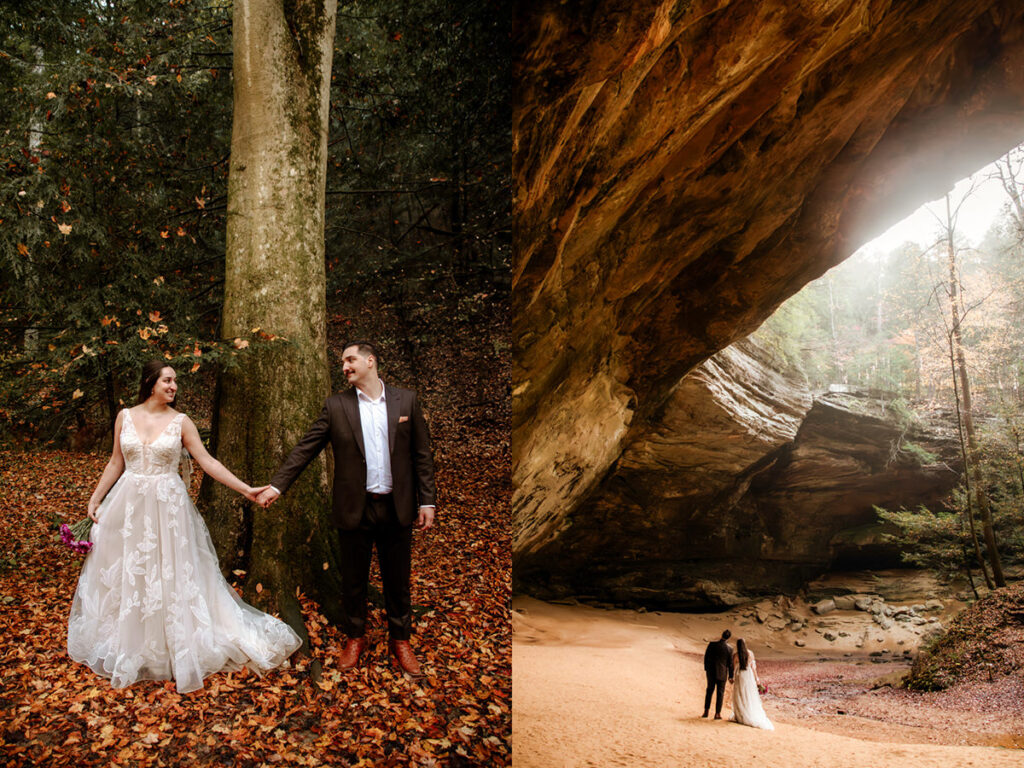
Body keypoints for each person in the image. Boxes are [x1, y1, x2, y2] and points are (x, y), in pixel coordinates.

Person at [67, 361, 302, 694]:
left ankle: (171, 644)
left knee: (170, 571)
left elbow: (207, 462)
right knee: (132, 570)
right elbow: (116, 462)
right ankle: (133, 642)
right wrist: (95, 498)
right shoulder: (124, 416)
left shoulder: (181, 422)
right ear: (151, 383)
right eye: (168, 380)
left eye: (175, 381)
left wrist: (246, 489)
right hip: (129, 504)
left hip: (167, 507)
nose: (174, 386)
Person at [256, 340, 436, 677]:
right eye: (342, 362)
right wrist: (277, 485)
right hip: (356, 507)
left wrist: (427, 500)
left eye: (350, 360)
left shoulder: (406, 400)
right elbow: (306, 448)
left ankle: (401, 639)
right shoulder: (336, 406)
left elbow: (421, 455)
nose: (344, 366)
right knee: (353, 580)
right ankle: (355, 638)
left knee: (398, 580)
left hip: (397, 507)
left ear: (371, 360)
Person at [731, 638, 774, 730]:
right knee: (749, 694)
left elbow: (733, 668)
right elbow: (753, 668)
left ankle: (740, 715)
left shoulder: (736, 655)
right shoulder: (750, 654)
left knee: (740, 694)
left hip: (740, 675)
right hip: (748, 675)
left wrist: (732, 678)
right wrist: (756, 679)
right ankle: (749, 711)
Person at [703, 629, 734, 719]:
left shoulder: (712, 645)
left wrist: (706, 669)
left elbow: (706, 657)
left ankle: (706, 711)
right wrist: (730, 676)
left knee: (709, 691)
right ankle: (717, 713)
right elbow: (730, 664)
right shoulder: (730, 649)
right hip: (722, 673)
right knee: (720, 693)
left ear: (721, 635)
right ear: (729, 638)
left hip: (711, 672)